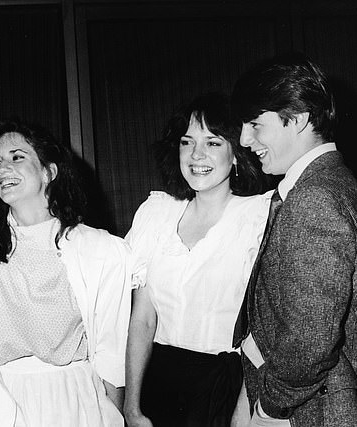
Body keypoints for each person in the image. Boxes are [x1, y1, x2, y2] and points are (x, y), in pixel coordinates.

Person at [231, 53, 357, 426]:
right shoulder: (329, 182)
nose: (245, 140)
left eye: (255, 125)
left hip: (312, 410)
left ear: (297, 120)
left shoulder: (315, 199)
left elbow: (310, 340)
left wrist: (269, 408)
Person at [0, 118, 131, 426]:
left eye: (17, 157)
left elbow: (112, 352)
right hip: (3, 397)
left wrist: (114, 416)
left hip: (75, 397)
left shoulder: (100, 250)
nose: (2, 169)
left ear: (48, 171)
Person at [123, 92, 271, 427]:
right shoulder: (156, 214)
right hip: (158, 382)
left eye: (213, 143)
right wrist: (132, 407)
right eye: (187, 142)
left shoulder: (257, 217)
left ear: (236, 153)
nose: (196, 154)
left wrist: (246, 411)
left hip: (224, 387)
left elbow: (266, 331)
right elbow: (142, 320)